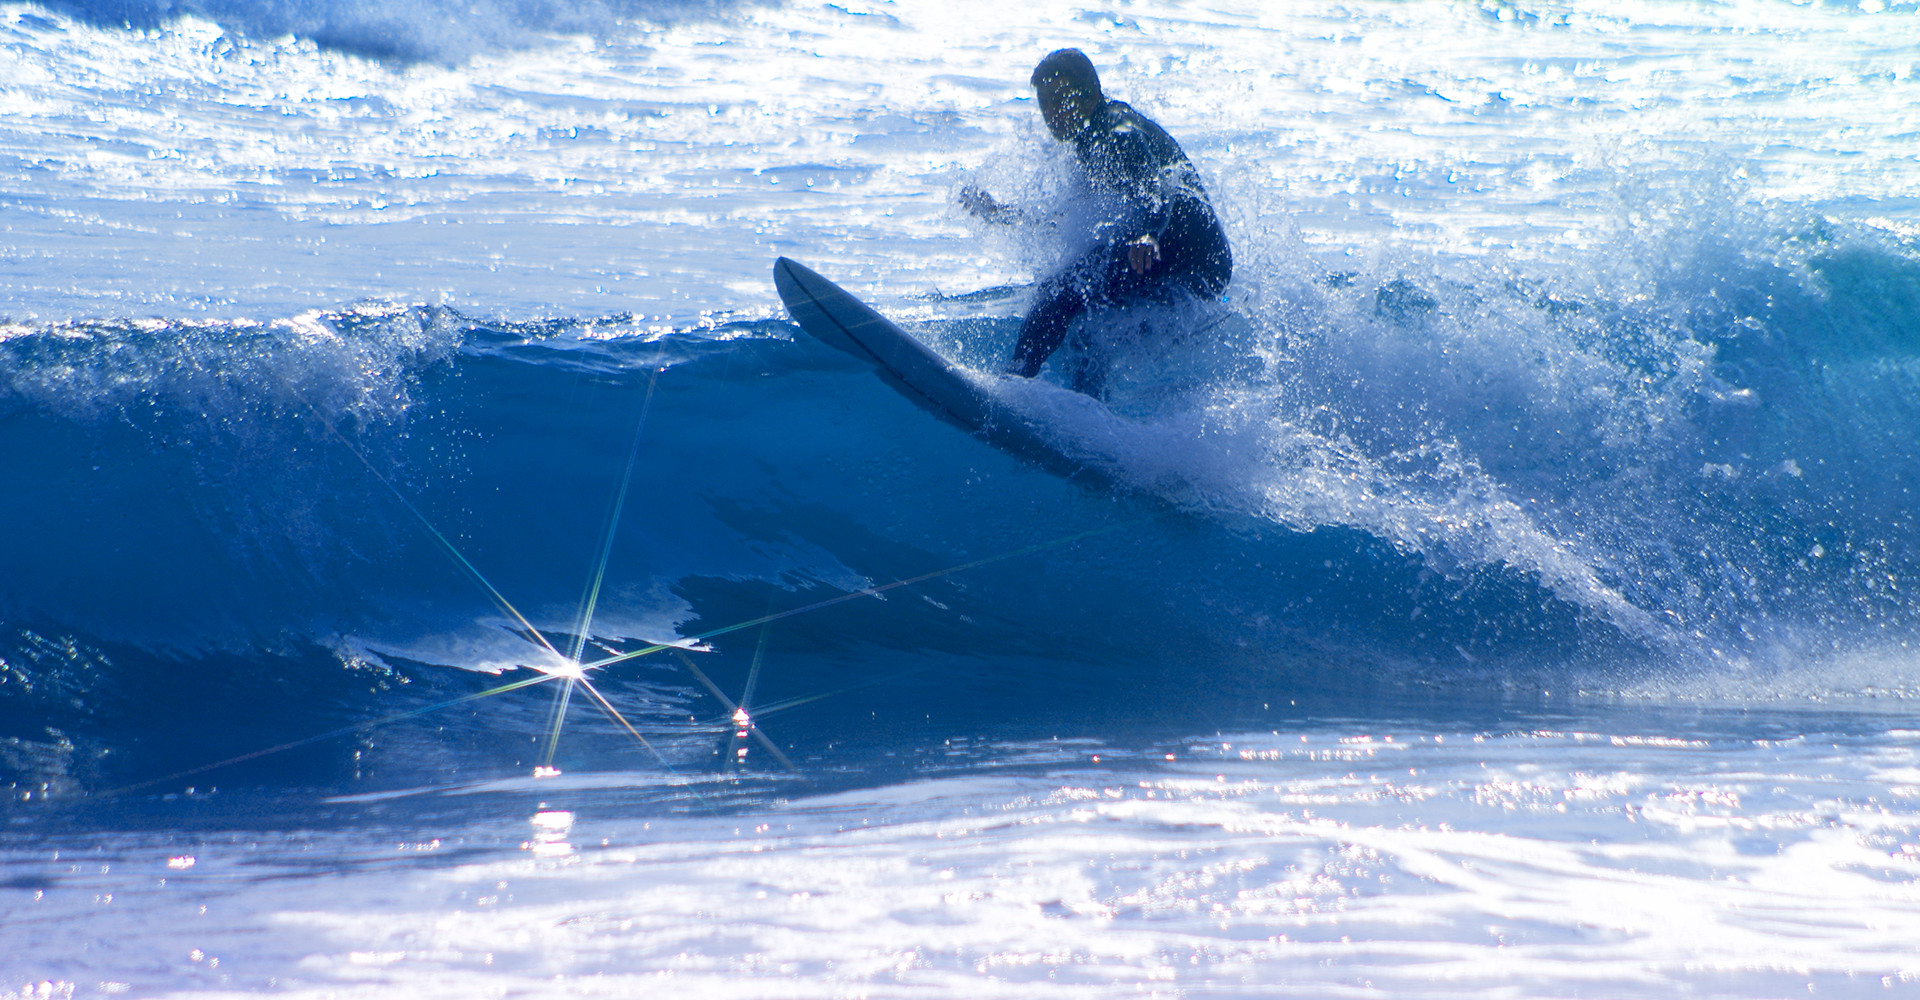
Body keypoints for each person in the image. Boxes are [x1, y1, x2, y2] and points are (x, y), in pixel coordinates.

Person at [961, 48, 1232, 387]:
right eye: (1045, 103)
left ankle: (1010, 387)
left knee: (1058, 293)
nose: (1051, 114)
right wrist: (1002, 215)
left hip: (1190, 260)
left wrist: (1147, 234)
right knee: (1088, 326)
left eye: (1060, 100)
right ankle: (1087, 419)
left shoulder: (1117, 130)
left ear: (1089, 97)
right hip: (1194, 261)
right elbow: (1063, 217)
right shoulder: (1089, 141)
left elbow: (1159, 189)